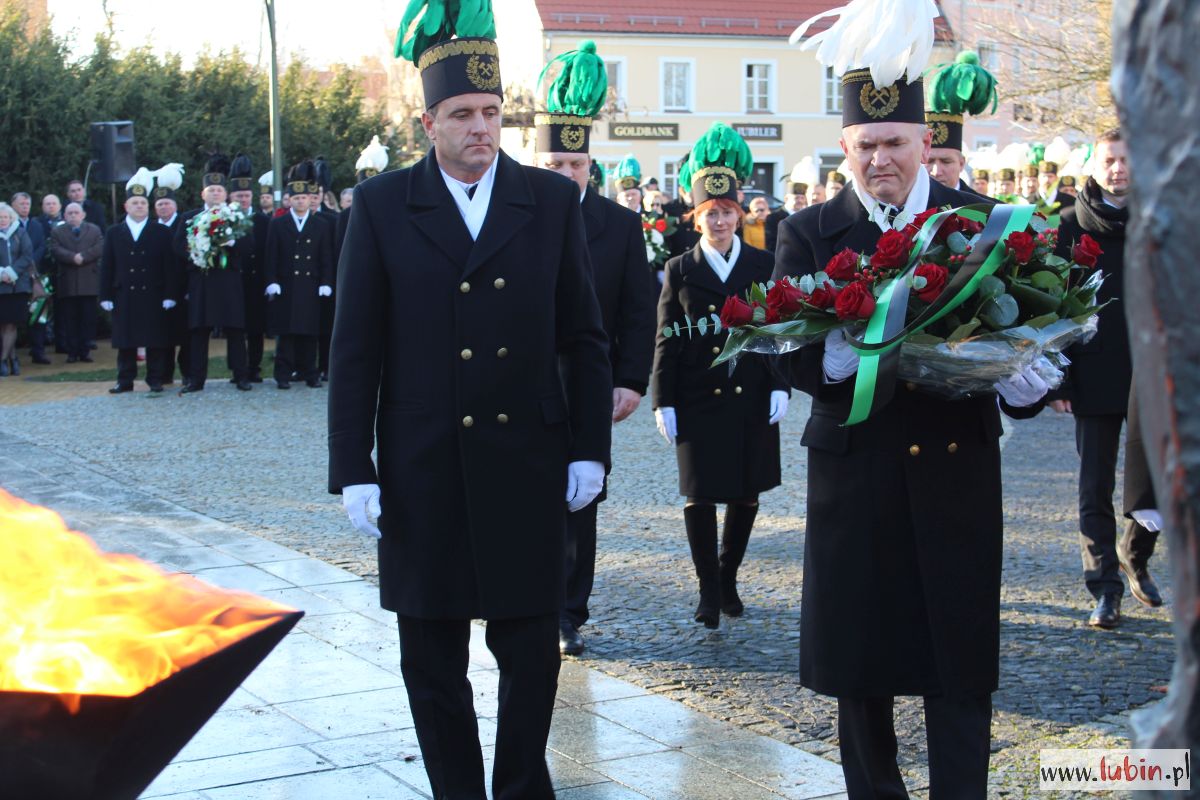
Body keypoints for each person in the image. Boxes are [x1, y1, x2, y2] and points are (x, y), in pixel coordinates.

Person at [329, 6, 611, 796]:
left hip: (526, 460)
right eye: (462, 115)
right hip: (424, 467)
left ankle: (522, 786)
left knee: (530, 651)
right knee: (431, 656)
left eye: (491, 113)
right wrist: (353, 464)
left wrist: (590, 446)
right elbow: (355, 350)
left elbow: (584, 339)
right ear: (429, 122)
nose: (481, 129)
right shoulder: (383, 207)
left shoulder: (548, 203)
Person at [775, 5, 1048, 794]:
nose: (880, 160)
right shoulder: (810, 231)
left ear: (927, 142)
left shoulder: (983, 226)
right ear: (845, 147)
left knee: (958, 667)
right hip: (854, 478)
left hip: (955, 479)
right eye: (865, 146)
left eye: (895, 143)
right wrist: (832, 359)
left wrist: (1027, 375)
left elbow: (1026, 331)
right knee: (862, 675)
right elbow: (789, 359)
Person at [533, 40, 656, 656]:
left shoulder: (619, 224)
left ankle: (567, 614)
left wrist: (632, 379)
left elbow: (640, 309)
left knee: (581, 499)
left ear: (589, 168)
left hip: (589, 382)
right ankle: (523, 601)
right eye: (553, 165)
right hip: (522, 380)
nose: (564, 176)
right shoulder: (513, 214)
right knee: (523, 491)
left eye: (574, 166)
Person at [652, 123, 790, 629]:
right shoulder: (680, 268)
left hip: (751, 388)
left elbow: (775, 326)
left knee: (746, 490)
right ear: (697, 217)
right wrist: (662, 399)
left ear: (739, 212)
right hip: (697, 392)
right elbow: (667, 335)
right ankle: (708, 589)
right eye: (711, 213)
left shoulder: (761, 262)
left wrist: (780, 382)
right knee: (700, 491)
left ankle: (728, 575)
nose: (721, 220)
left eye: (728, 211)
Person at [1048, 128, 1157, 627]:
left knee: (1151, 481)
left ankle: (1135, 554)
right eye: (1110, 159)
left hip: (1152, 375)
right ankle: (1104, 586)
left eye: (1128, 160)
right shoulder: (1069, 225)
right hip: (1091, 371)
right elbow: (1050, 304)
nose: (1119, 169)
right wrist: (1061, 381)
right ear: (1094, 164)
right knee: (1094, 486)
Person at [174, 152, 253, 393]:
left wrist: (233, 244)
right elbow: (177, 246)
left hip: (229, 281)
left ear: (226, 194)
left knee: (236, 331)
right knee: (199, 332)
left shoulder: (237, 217)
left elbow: (251, 246)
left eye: (219, 190)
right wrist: (197, 252)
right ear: (203, 194)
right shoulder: (190, 218)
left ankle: (241, 377)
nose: (216, 194)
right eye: (211, 190)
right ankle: (196, 379)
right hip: (202, 280)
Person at [99, 169, 177, 393]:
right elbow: (107, 265)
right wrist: (105, 295)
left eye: (143, 202)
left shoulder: (160, 231)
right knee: (126, 340)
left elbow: (168, 267)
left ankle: (155, 379)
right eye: (135, 202)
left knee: (154, 339)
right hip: (124, 293)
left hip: (153, 293)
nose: (139, 206)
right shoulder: (115, 232)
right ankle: (125, 380)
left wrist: (170, 294)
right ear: (126, 207)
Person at [263, 161, 333, 389]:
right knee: (287, 334)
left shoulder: (320, 224)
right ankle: (283, 375)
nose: (301, 201)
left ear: (309, 200)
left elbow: (325, 257)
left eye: (304, 198)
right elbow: (271, 255)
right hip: (287, 284)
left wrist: (326, 282)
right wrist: (271, 281)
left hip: (310, 285)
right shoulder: (278, 223)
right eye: (296, 198)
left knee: (309, 334)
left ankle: (309, 373)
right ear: (289, 200)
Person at [229, 154, 268, 384]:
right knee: (235, 329)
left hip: (256, 281)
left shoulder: (263, 220)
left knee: (256, 329)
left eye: (246, 195)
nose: (243, 199)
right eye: (238, 195)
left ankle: (254, 367)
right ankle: (238, 369)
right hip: (234, 282)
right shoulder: (224, 220)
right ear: (231, 197)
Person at [49, 202, 103, 363]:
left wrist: (84, 256)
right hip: (68, 283)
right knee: (70, 319)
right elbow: (55, 249)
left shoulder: (94, 230)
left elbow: (100, 246)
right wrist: (72, 257)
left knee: (87, 319)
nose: (73, 216)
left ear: (83, 215)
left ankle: (85, 351)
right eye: (69, 213)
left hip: (88, 283)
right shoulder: (58, 231)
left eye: (76, 213)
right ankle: (72, 352)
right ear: (65, 216)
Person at [151, 163, 189, 386]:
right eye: (160, 204)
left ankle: (187, 372)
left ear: (175, 206)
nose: (163, 207)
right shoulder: (152, 227)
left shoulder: (184, 224)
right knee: (161, 335)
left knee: (184, 335)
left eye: (167, 203)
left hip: (182, 287)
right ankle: (164, 373)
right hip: (158, 289)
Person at [12, 192, 48, 364]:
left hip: (35, 276)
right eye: (21, 204)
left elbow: (42, 246)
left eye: (27, 204)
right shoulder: (8, 224)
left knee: (39, 315)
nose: (25, 207)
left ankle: (38, 352)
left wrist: (31, 261)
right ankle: (11, 354)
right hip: (15, 277)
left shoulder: (37, 225)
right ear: (13, 206)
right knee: (11, 319)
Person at [0, 202, 35, 376]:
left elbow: (27, 255)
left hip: (18, 286)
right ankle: (13, 360)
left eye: (5, 217)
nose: (2, 220)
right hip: (1, 287)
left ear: (10, 217)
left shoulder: (20, 233)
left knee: (11, 324)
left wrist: (13, 272)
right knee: (3, 325)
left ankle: (3, 361)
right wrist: (1, 273)